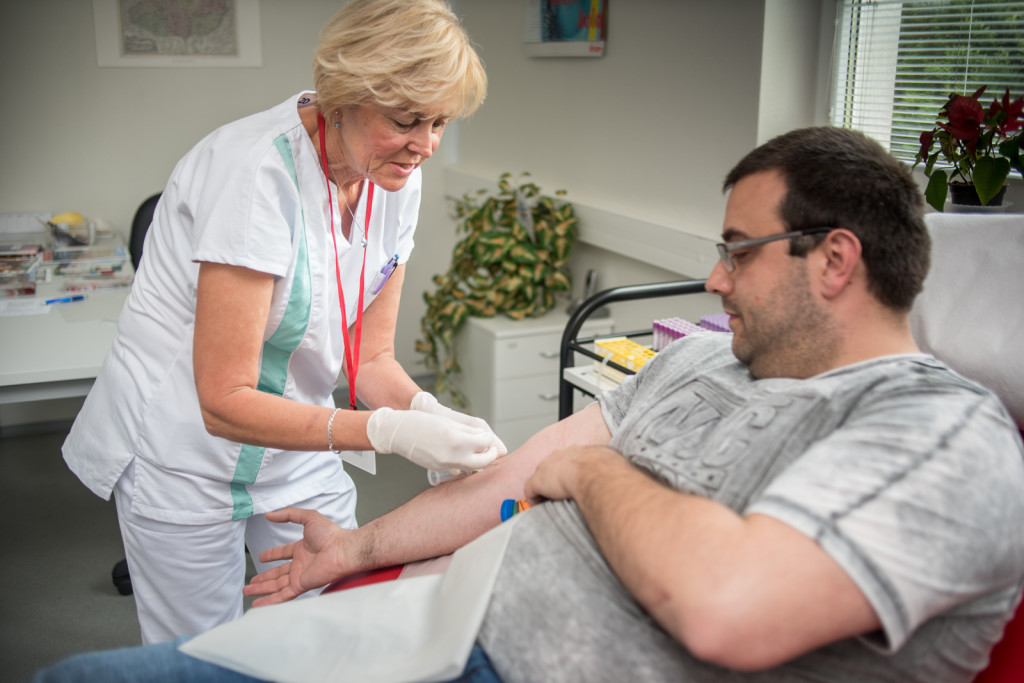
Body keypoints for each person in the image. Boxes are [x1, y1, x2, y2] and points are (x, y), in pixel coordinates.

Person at [38, 126, 1024, 682]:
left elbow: (730, 609)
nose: (714, 281)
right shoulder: (704, 367)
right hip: (439, 621)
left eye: (735, 248)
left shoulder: (936, 431)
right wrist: (355, 550)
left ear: (836, 259)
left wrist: (588, 472)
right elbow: (512, 475)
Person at [60, 0, 503, 645]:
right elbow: (224, 400)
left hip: (298, 440)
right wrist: (385, 432)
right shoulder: (253, 173)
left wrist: (428, 412)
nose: (426, 146)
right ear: (344, 95)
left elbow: (369, 359)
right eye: (407, 120)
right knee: (205, 650)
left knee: (327, 627)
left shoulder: (393, 180)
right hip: (183, 448)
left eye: (439, 122)